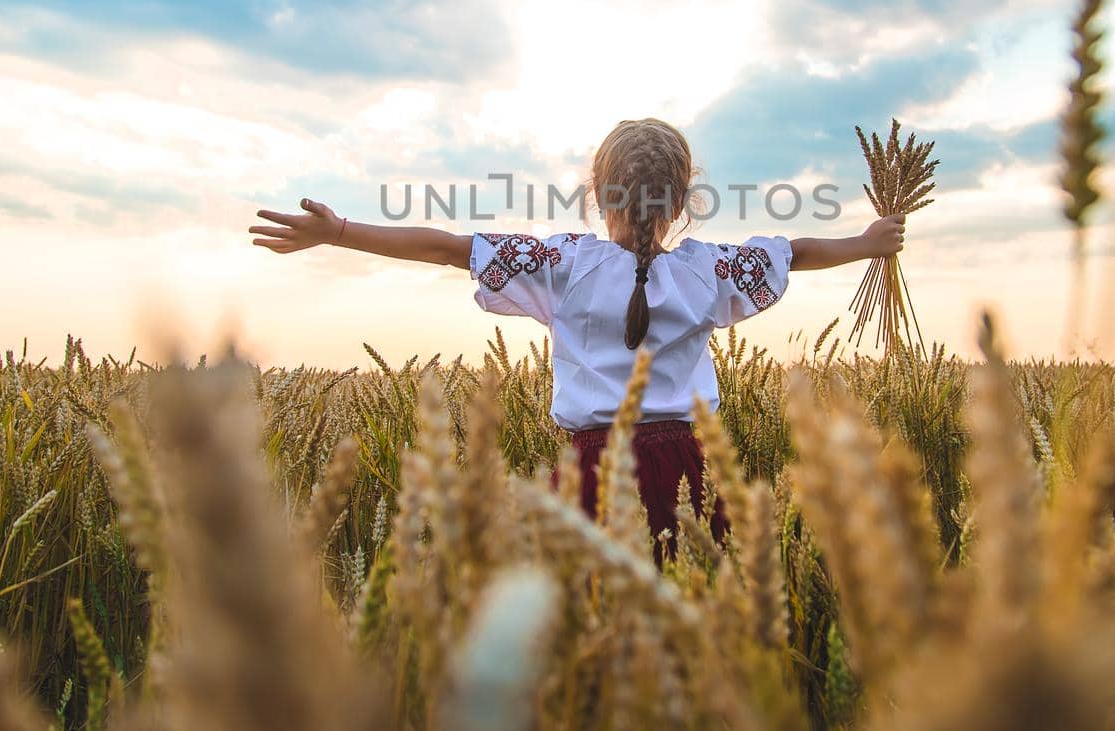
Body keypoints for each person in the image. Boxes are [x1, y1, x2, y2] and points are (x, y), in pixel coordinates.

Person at [249, 117, 905, 557]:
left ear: (598, 194)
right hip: (693, 469)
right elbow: (796, 249)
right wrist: (867, 242)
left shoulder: (565, 265)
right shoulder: (706, 271)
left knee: (599, 623)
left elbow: (449, 247)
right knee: (696, 617)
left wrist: (339, 231)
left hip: (594, 466)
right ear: (681, 204)